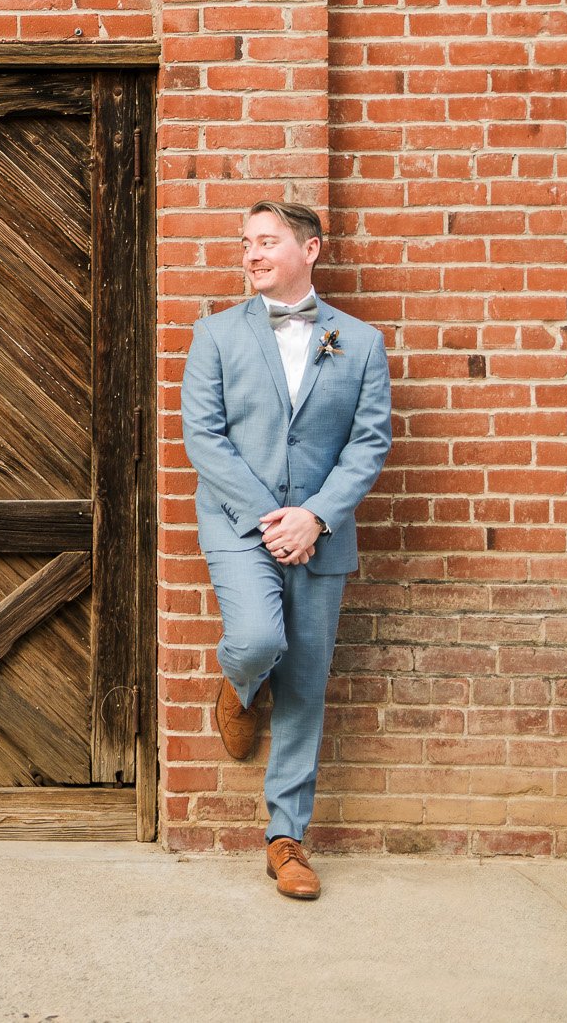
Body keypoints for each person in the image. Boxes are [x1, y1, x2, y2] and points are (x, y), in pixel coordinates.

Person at [179, 200, 392, 900]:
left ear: (312, 249)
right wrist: (272, 517)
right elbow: (204, 437)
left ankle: (287, 838)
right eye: (246, 243)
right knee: (255, 638)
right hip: (241, 524)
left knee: (304, 680)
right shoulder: (213, 335)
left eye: (267, 242)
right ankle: (239, 682)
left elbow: (369, 442)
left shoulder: (359, 342)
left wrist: (317, 516)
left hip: (320, 534)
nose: (251, 254)